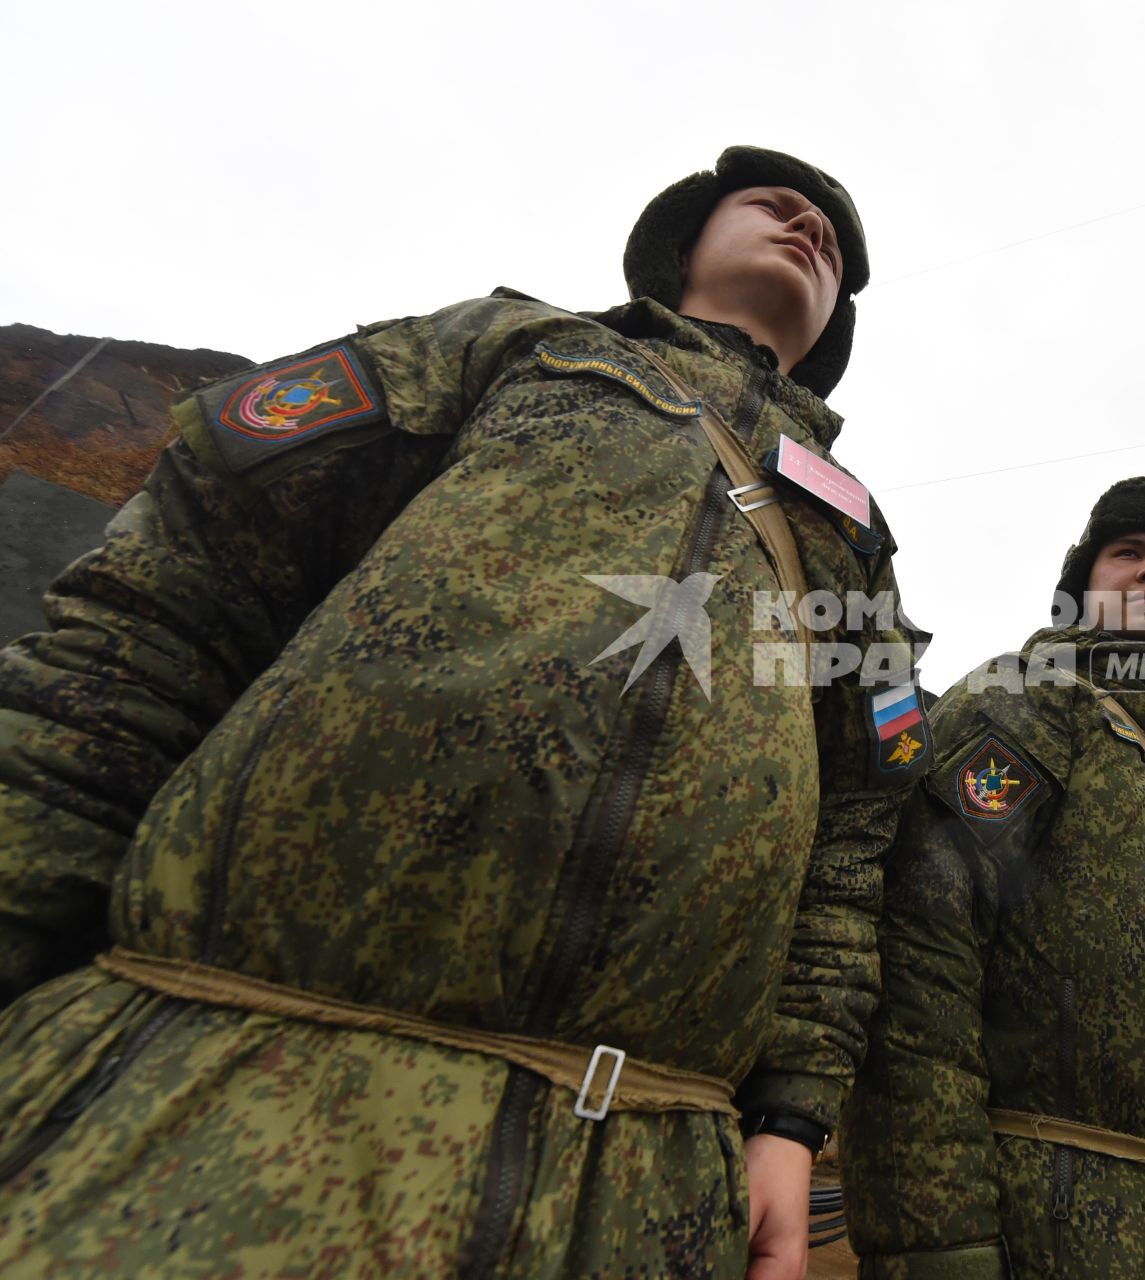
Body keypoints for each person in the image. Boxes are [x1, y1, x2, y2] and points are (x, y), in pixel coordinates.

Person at [0, 145, 927, 1279]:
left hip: (643, 1176)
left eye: (832, 240)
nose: (808, 227)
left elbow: (850, 840)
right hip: (218, 1075)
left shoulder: (854, 532)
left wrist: (790, 1117)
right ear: (680, 244)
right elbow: (166, 607)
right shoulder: (511, 347)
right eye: (773, 205)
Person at [842, 477, 1145, 1279]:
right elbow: (922, 958)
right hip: (1064, 1228)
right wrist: (935, 1241)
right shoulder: (1026, 701)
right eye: (1128, 554)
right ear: (1079, 589)